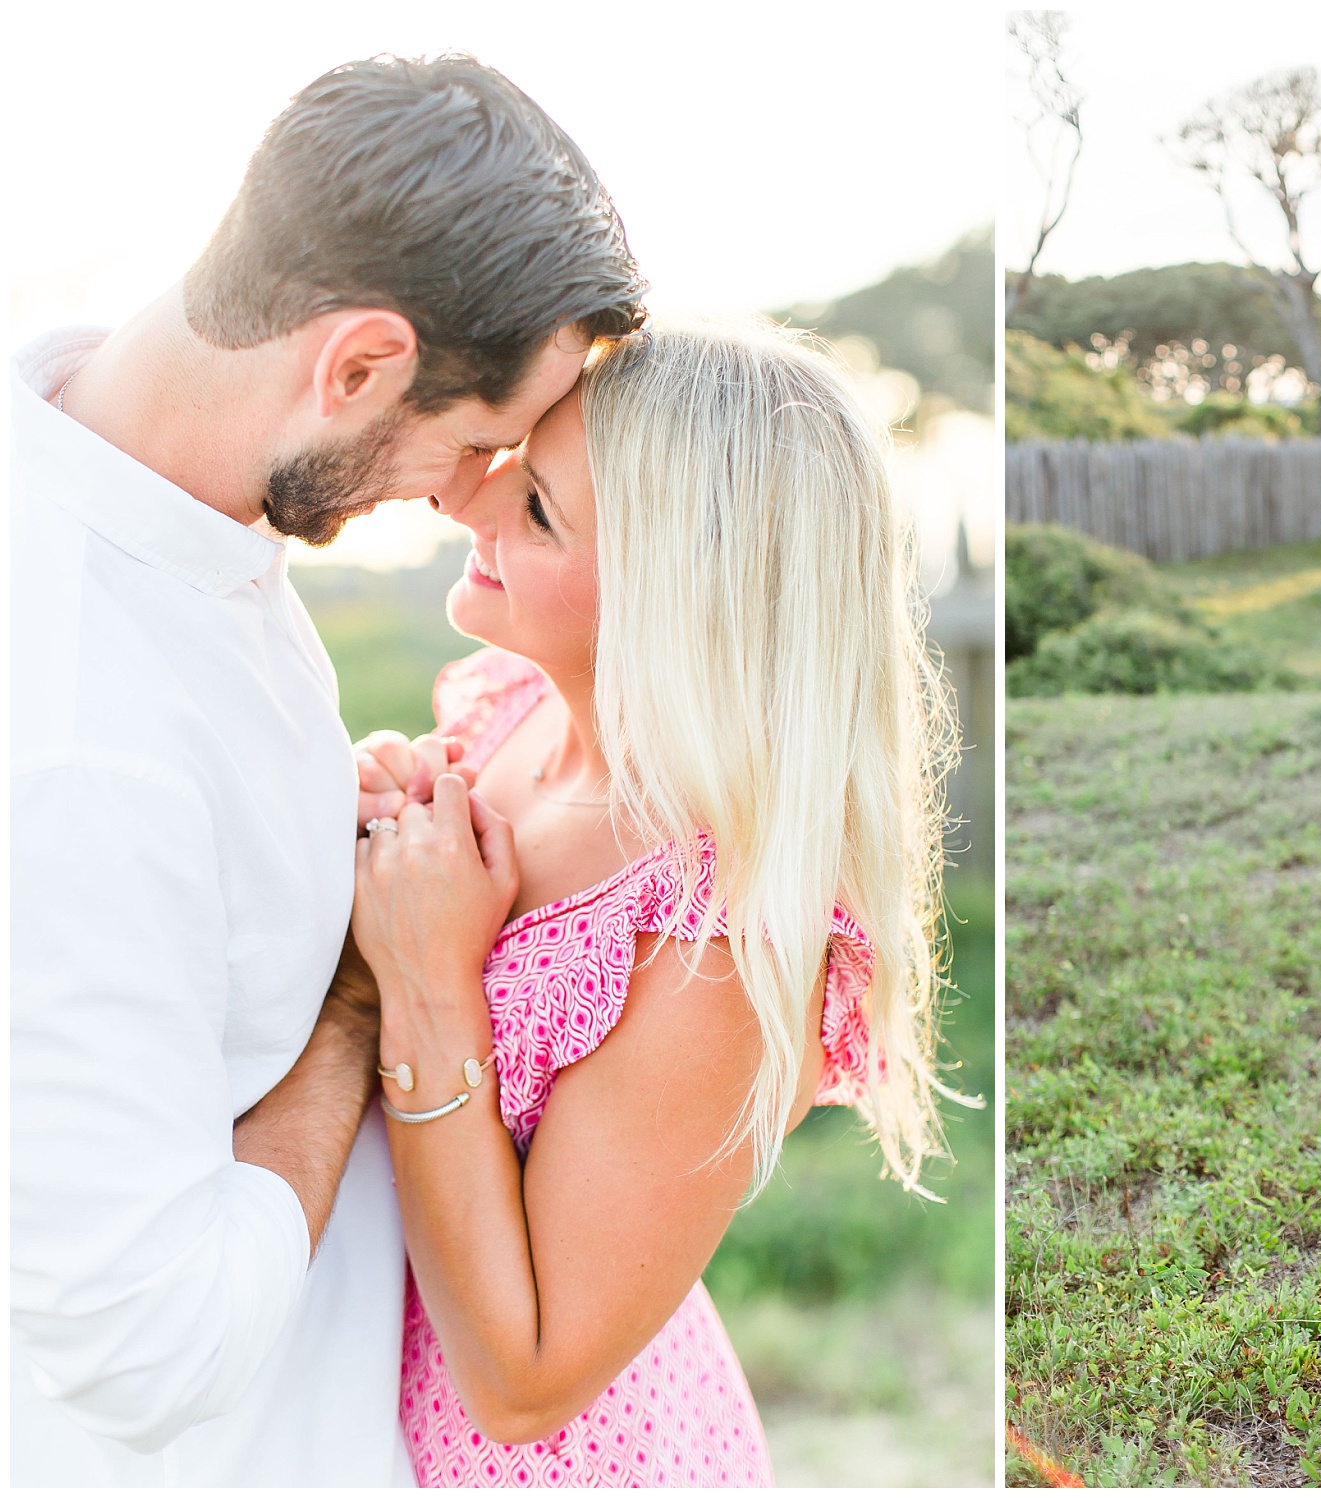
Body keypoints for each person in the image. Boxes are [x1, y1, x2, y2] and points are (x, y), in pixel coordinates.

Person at [11, 56, 643, 1485]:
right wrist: (370, 983)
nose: (461, 489)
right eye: (472, 440)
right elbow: (147, 1353)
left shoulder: (173, 510)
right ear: (356, 363)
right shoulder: (70, 719)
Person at [344, 321, 956, 1486]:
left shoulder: (710, 938)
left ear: (680, 598)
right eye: (514, 465)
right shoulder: (515, 713)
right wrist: (392, 809)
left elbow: (525, 1381)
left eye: (536, 510)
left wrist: (426, 986)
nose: (468, 508)